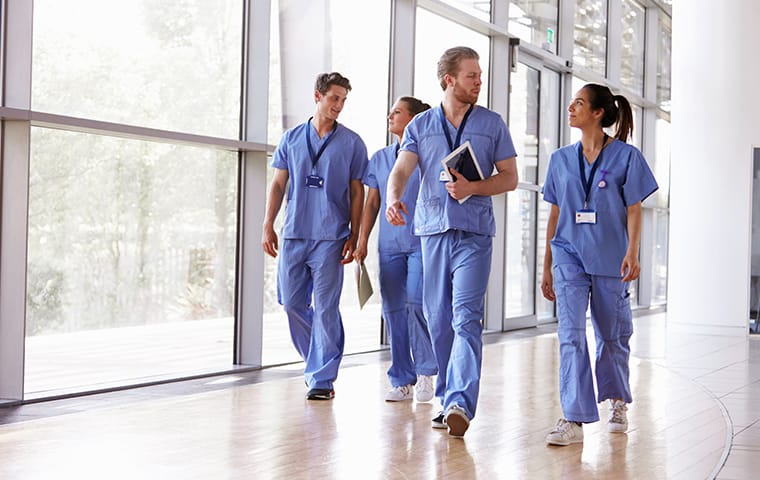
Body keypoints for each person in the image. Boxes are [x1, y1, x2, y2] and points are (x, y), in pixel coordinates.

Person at [385, 46, 518, 437]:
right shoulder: (420, 125)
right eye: (472, 76)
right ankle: (446, 398)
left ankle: (460, 399)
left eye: (479, 75)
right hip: (432, 233)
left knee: (465, 318)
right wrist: (394, 199)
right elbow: (401, 170)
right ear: (449, 80)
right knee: (439, 320)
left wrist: (474, 187)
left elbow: (509, 176)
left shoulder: (492, 124)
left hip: (474, 234)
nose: (479, 81)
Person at [540, 83, 658, 446]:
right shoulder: (560, 159)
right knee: (570, 335)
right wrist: (546, 264)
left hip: (610, 256)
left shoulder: (627, 157)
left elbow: (634, 208)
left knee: (612, 335)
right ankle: (573, 418)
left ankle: (617, 399)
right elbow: (555, 212)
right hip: (568, 256)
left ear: (598, 113)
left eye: (579, 103)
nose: (571, 107)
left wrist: (633, 252)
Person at [262, 72, 368, 401]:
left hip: (331, 236)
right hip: (294, 233)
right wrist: (268, 223)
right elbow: (279, 184)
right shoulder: (292, 139)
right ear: (317, 96)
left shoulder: (352, 143)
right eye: (334, 98)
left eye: (343, 100)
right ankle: (316, 361)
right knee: (292, 303)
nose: (338, 105)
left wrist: (354, 233)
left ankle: (322, 377)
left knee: (325, 308)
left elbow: (356, 192)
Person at [353, 96, 437, 403]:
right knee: (393, 311)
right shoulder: (379, 158)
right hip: (388, 246)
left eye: (398, 111)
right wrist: (362, 241)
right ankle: (402, 378)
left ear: (414, 119)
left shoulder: (427, 156)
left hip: (421, 241)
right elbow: (372, 202)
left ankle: (427, 371)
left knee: (415, 303)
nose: (390, 115)